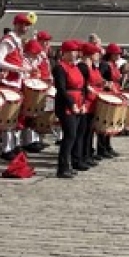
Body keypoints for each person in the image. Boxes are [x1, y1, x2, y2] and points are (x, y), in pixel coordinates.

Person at [52, 41, 86, 178]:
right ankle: (62, 166)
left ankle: (69, 164)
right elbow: (61, 89)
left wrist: (83, 103)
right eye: (71, 51)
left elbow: (81, 86)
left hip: (78, 102)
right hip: (65, 104)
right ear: (64, 53)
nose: (74, 54)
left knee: (75, 135)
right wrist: (71, 103)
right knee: (69, 135)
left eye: (75, 51)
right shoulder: (60, 68)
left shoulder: (75, 67)